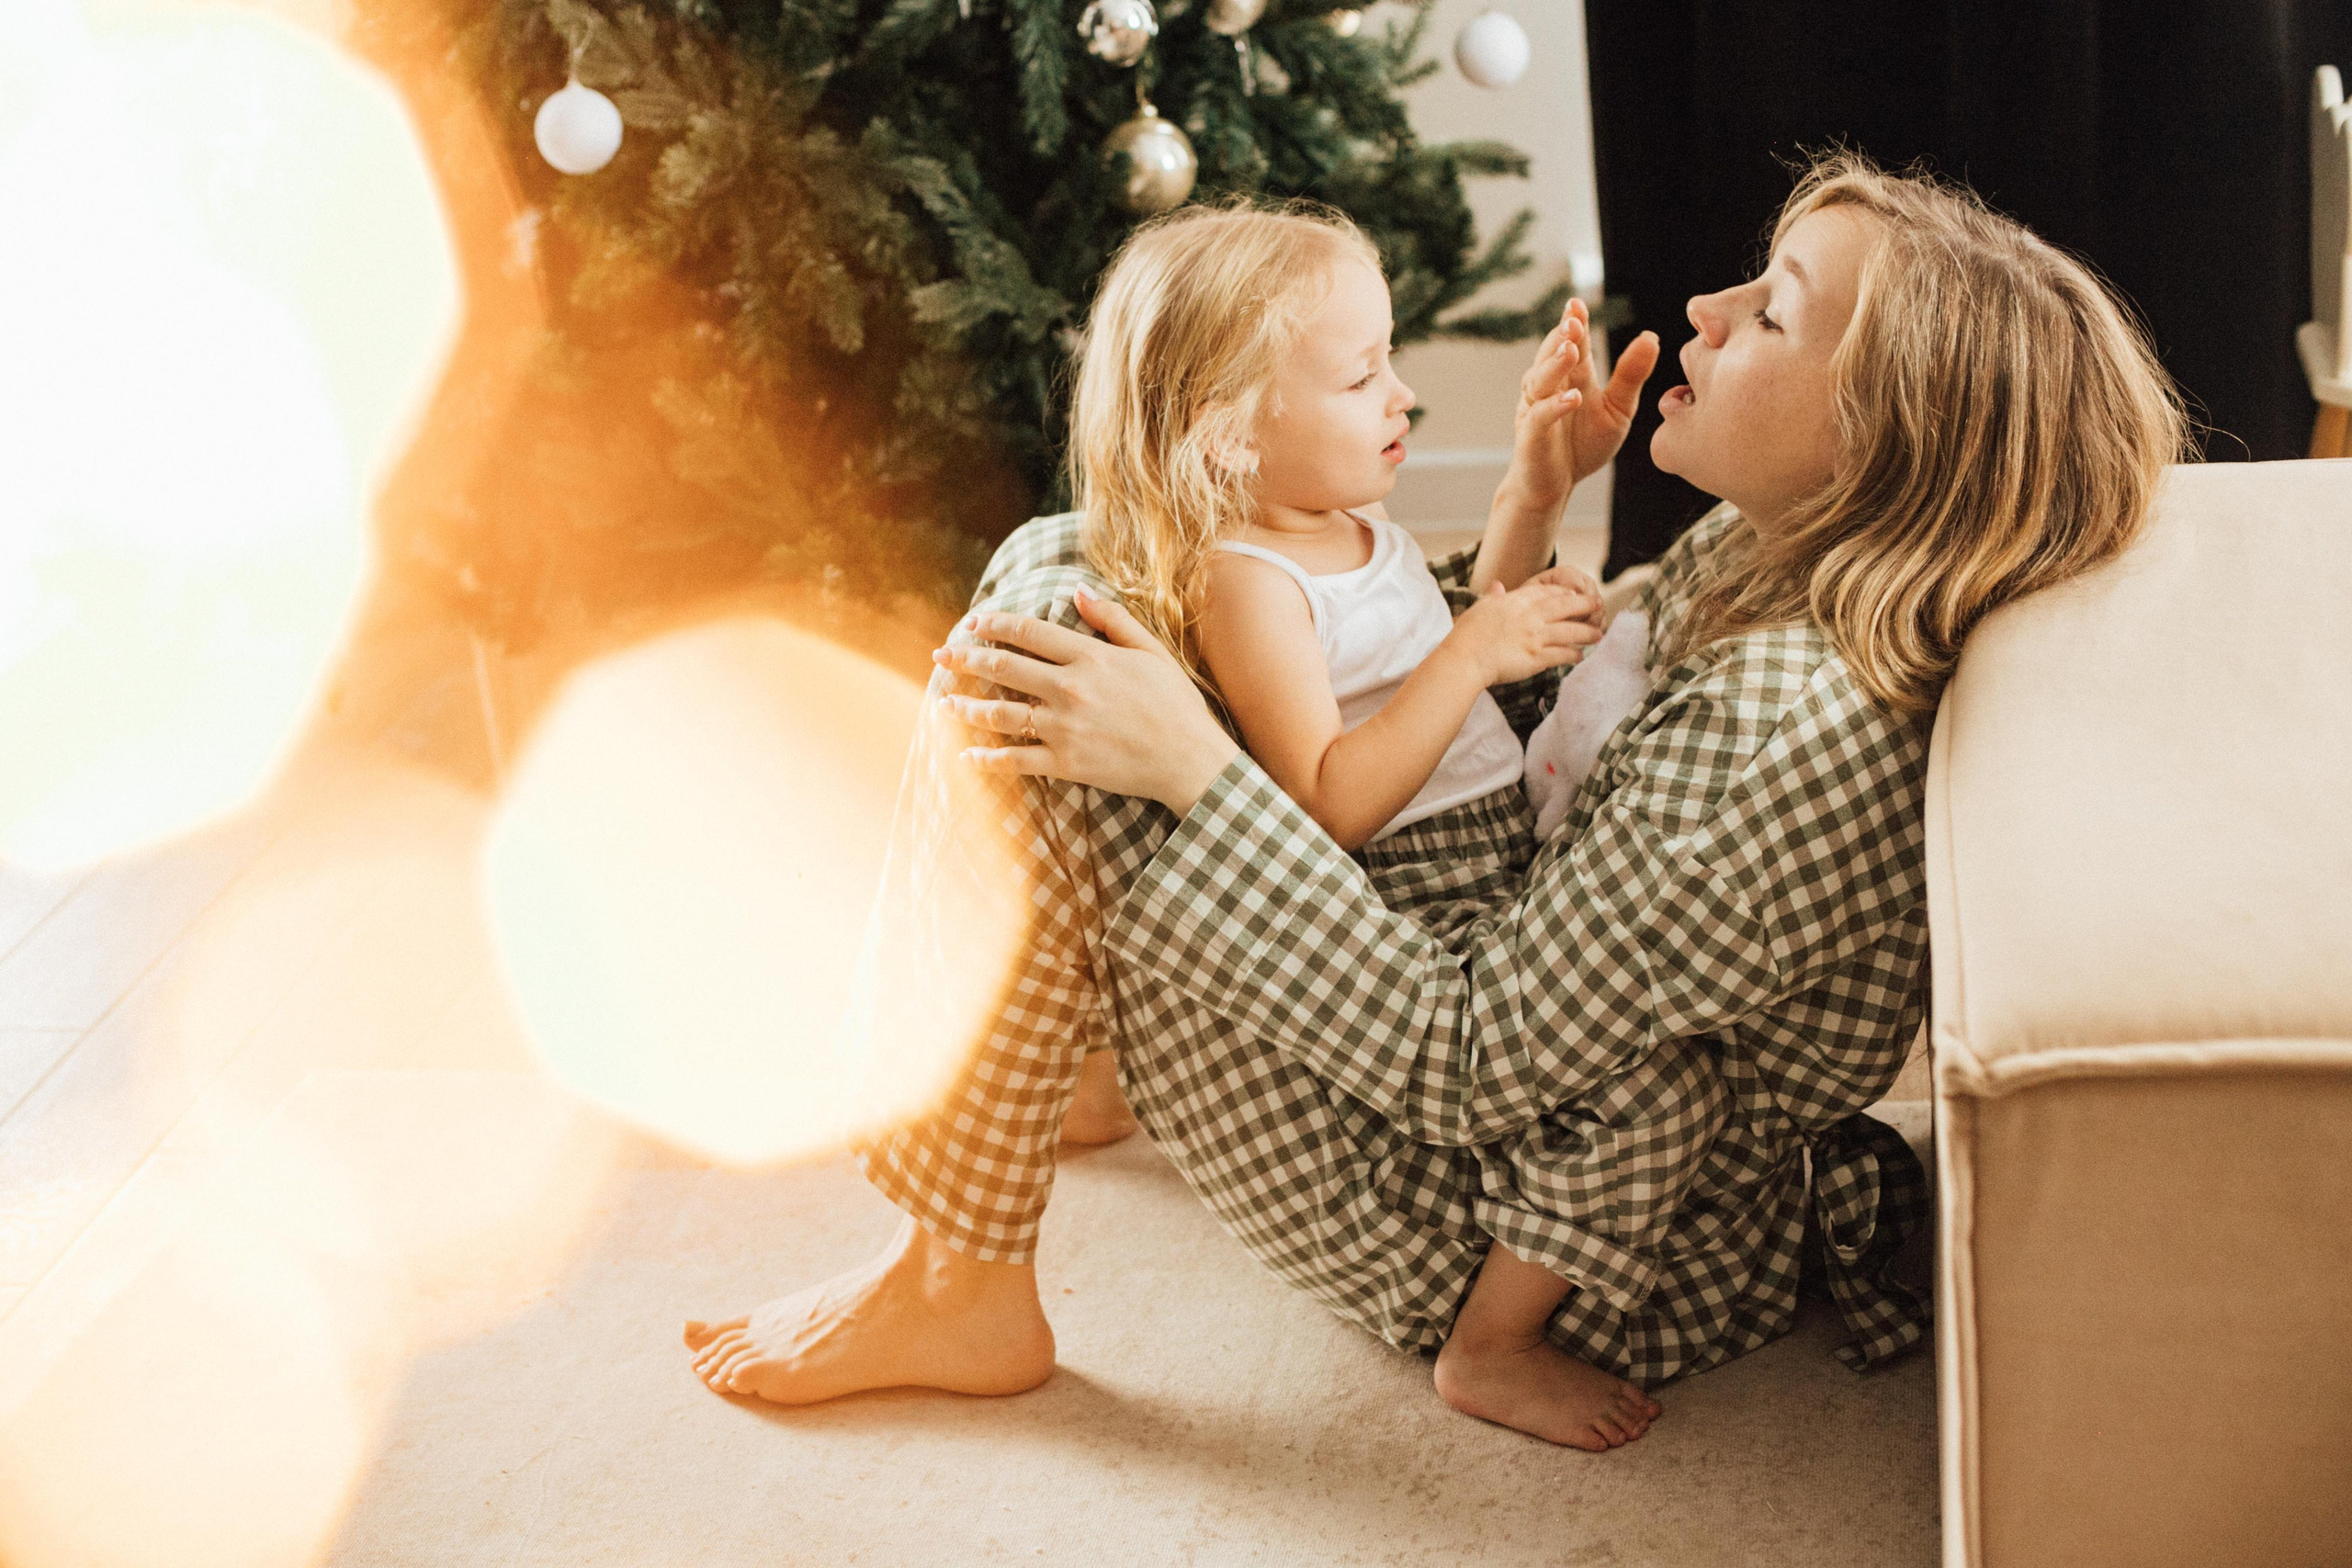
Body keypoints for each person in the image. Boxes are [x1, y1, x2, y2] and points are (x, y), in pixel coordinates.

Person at [684, 152, 2189, 1452]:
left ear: (1875, 439)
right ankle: (1060, 1067)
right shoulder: (1784, 565)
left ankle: (960, 1276)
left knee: (1050, 633)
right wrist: (1534, 507)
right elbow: (1541, 750)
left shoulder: (1784, 741)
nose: (1709, 315)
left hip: (1506, 1228)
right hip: (1495, 1042)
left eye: (1774, 309)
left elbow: (1473, 1062)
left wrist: (1195, 771)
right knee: (1085, 576)